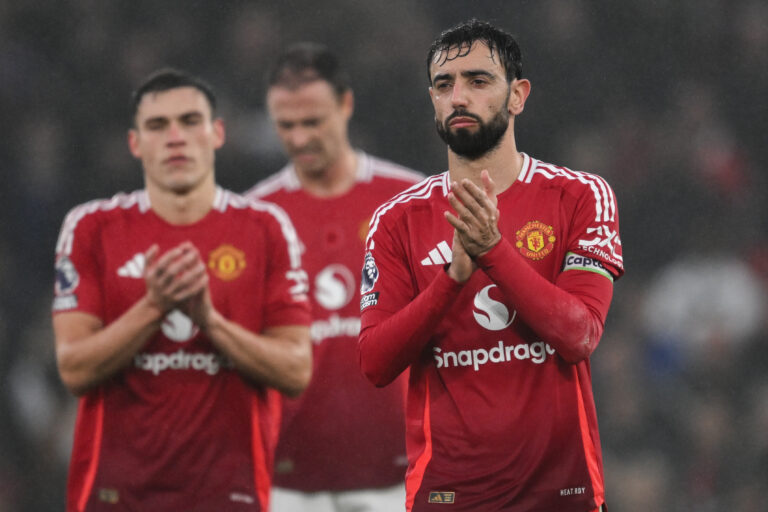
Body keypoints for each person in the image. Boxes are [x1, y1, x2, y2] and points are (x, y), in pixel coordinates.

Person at [358, 19, 624, 512]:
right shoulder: (397, 220)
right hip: (448, 495)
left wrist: (493, 251)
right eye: (444, 85)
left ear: (517, 95)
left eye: (478, 81)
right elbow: (375, 362)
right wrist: (453, 279)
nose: (458, 96)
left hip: (561, 494)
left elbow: (580, 335)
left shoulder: (581, 196)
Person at [51, 68, 312, 511]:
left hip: (230, 496)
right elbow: (74, 368)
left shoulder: (265, 228)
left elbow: (295, 371)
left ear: (217, 133)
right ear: (135, 143)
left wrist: (208, 320)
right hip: (115, 496)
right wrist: (154, 306)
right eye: (157, 125)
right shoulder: (92, 228)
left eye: (190, 121)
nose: (175, 137)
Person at [245, 43, 422, 512]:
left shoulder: (412, 203)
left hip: (400, 478)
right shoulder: (252, 222)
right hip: (285, 484)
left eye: (313, 121)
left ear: (345, 105)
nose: (300, 138)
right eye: (287, 125)